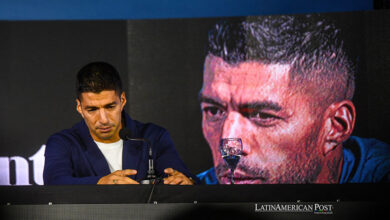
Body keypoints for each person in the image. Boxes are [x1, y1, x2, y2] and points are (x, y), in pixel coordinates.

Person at [197, 15, 390, 184]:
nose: (229, 149)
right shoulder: (193, 190)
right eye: (215, 111)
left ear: (335, 126)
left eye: (262, 115)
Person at [43, 62, 196, 185]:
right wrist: (101, 182)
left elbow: (183, 178)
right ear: (79, 107)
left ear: (122, 100)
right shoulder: (63, 143)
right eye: (92, 109)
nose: (103, 119)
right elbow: (55, 183)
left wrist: (184, 182)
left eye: (110, 107)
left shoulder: (152, 137)